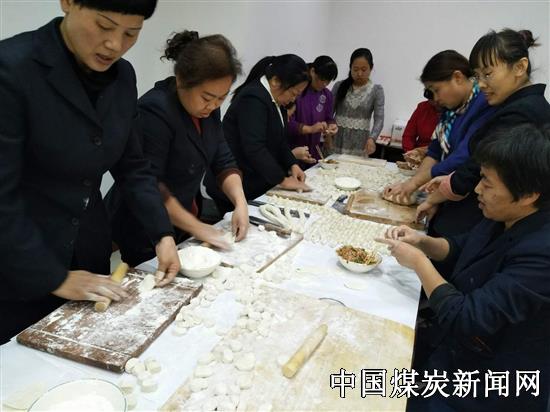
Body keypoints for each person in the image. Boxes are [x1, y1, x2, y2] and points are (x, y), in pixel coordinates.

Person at [0, 0, 180, 343]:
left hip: (87, 253)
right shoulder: (12, 69)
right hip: (18, 265)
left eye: (131, 34)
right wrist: (55, 278)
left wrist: (162, 233)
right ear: (68, 3)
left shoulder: (123, 76)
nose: (115, 45)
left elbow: (133, 165)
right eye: (104, 26)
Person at [377, 124, 550, 412]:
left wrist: (419, 262)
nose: (478, 189)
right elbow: (462, 247)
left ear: (528, 195)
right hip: (453, 354)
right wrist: (423, 242)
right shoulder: (503, 215)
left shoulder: (541, 253)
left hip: (491, 383)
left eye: (488, 184)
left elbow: (469, 318)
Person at [106, 30, 249, 266]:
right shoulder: (155, 111)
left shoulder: (209, 111)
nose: (213, 106)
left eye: (221, 98)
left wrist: (240, 203)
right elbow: (150, 184)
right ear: (182, 80)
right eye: (207, 97)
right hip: (145, 224)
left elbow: (222, 158)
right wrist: (200, 228)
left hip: (184, 217)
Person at [417, 29, 550, 233]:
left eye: (488, 74)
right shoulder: (512, 105)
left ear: (520, 67)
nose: (481, 84)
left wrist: (442, 192)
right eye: (478, 76)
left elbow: (477, 163)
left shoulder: (522, 112)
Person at [384, 50, 495, 237]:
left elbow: (462, 156)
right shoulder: (451, 110)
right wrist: (413, 185)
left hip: (467, 200)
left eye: (437, 90)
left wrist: (414, 184)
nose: (435, 98)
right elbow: (435, 150)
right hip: (443, 194)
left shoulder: (483, 104)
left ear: (457, 78)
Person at [206, 54, 310, 213]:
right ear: (276, 81)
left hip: (255, 180)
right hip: (235, 182)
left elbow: (280, 140)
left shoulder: (277, 100)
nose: (293, 99)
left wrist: (292, 164)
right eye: (293, 93)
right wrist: (282, 180)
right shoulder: (253, 98)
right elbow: (254, 148)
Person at [331, 48, 384, 156]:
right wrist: (327, 134)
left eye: (364, 70)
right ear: (350, 67)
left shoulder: (376, 90)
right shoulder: (339, 86)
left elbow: (379, 119)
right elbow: (329, 112)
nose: (359, 73)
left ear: (371, 68)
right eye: (355, 69)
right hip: (336, 140)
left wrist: (372, 138)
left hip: (360, 144)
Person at [287, 55, 338, 168]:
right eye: (322, 79)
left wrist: (331, 126)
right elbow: (288, 122)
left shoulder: (327, 95)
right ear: (313, 72)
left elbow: (329, 118)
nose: (324, 84)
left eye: (328, 81)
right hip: (294, 148)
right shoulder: (297, 91)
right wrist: (310, 129)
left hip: (315, 150)